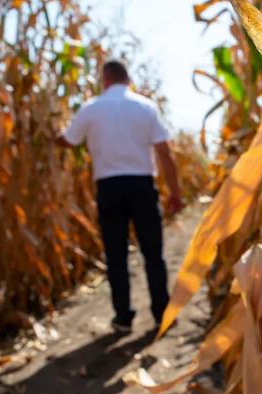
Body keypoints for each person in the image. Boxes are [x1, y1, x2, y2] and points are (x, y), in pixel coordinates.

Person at [57, 59, 183, 334]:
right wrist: (175, 192)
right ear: (128, 79)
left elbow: (68, 140)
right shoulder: (145, 107)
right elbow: (164, 153)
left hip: (109, 188)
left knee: (116, 255)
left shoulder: (91, 108)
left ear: (105, 79)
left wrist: (50, 133)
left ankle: (123, 318)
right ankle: (162, 314)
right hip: (142, 187)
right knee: (153, 253)